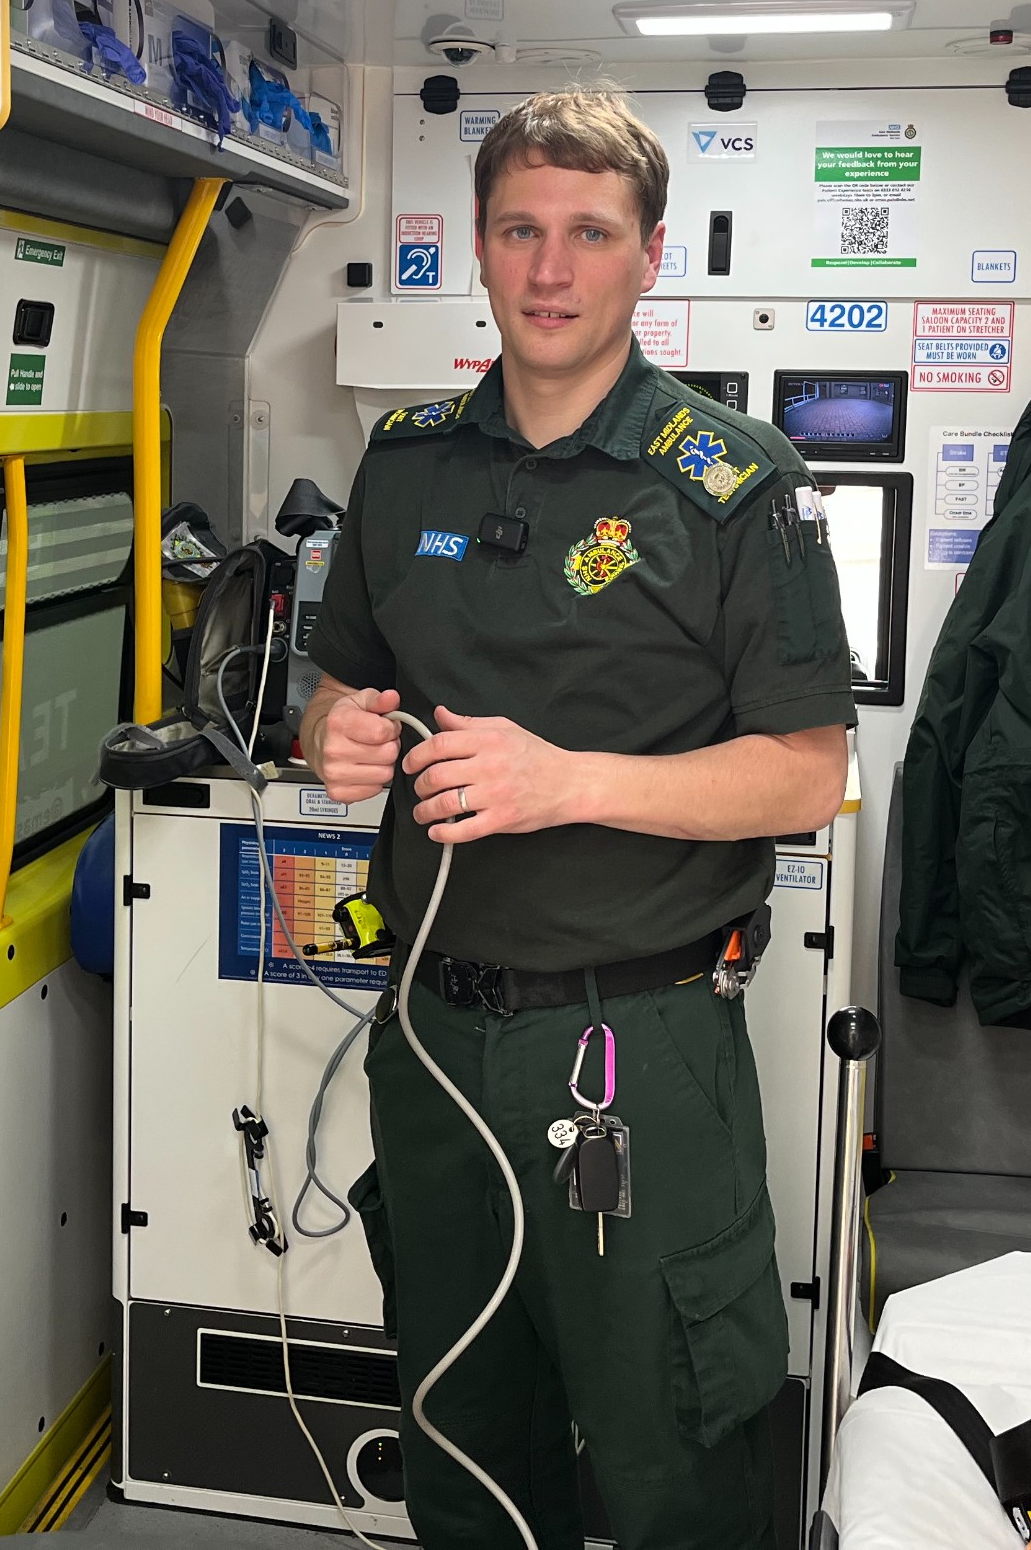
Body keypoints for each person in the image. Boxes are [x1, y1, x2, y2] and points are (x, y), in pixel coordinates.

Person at [300, 87, 858, 1550]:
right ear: (480, 251)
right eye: (521, 231)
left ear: (649, 255)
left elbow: (807, 773)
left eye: (590, 235)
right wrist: (332, 732)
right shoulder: (407, 461)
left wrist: (573, 783)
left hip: (638, 1046)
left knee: (678, 1438)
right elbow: (341, 680)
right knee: (462, 1429)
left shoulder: (735, 487)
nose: (552, 269)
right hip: (431, 1036)